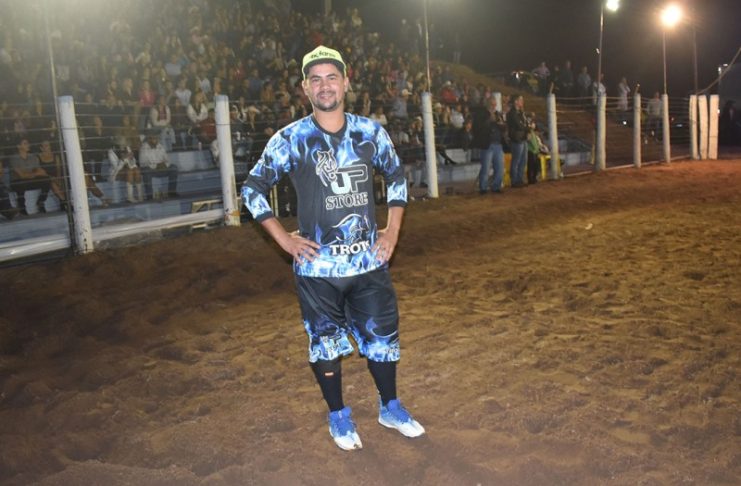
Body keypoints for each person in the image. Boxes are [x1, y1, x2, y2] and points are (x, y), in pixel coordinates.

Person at [241, 45, 425, 452]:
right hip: (318, 270)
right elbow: (252, 189)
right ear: (305, 88)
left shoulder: (370, 132)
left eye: (332, 77)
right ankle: (338, 415)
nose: (325, 86)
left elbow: (397, 177)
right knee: (324, 344)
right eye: (316, 79)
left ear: (346, 82)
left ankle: (390, 407)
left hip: (368, 262)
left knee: (383, 340)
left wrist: (392, 232)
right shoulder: (291, 139)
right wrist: (283, 239)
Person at [474, 97, 507, 194]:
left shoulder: (498, 114)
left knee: (500, 167)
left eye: (495, 104)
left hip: (498, 144)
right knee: (486, 167)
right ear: (488, 104)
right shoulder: (481, 114)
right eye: (492, 104)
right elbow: (478, 128)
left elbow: (504, 127)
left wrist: (501, 124)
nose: (494, 106)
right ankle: (483, 187)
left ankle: (496, 186)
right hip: (487, 144)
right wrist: (489, 120)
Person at [138, 130, 178, 200]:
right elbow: (142, 163)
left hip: (161, 168)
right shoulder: (144, 147)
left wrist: (165, 164)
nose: (155, 140)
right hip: (151, 169)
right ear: (149, 139)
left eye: (156, 138)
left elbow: (167, 159)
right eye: (153, 138)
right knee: (146, 171)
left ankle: (171, 192)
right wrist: (156, 165)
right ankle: (149, 196)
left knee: (174, 168)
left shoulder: (160, 146)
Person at [507, 95, 528, 187]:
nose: (522, 101)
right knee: (516, 160)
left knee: (523, 160)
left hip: (522, 138)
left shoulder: (520, 113)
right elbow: (519, 125)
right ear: (515, 101)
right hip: (516, 139)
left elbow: (523, 124)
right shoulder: (512, 114)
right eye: (520, 100)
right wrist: (528, 128)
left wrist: (527, 127)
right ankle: (514, 180)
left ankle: (519, 179)